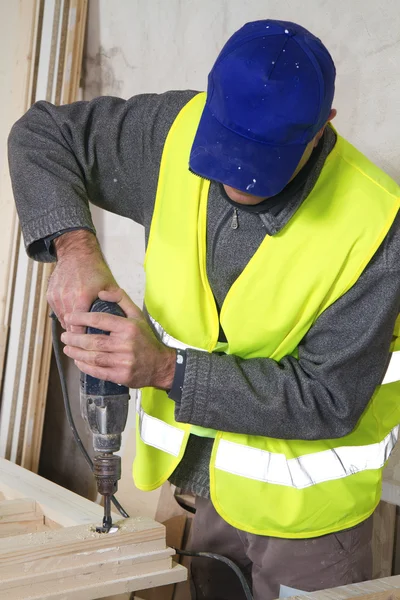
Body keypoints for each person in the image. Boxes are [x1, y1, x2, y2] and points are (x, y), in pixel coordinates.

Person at [8, 18, 400, 600]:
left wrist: (168, 371)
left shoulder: (376, 228)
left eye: (261, 164)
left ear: (324, 130)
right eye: (225, 153)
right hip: (208, 489)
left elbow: (329, 399)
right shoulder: (171, 131)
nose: (236, 180)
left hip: (309, 521)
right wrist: (75, 247)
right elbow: (41, 134)